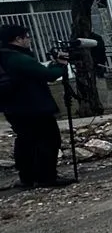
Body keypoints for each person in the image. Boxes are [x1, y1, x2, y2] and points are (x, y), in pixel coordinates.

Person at [0, 25, 72, 189]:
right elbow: (49, 75)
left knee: (26, 141)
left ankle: (27, 178)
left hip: (13, 108)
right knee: (48, 140)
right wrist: (60, 65)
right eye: (26, 36)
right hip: (33, 107)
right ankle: (46, 177)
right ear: (18, 39)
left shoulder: (4, 56)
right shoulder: (18, 58)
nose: (29, 39)